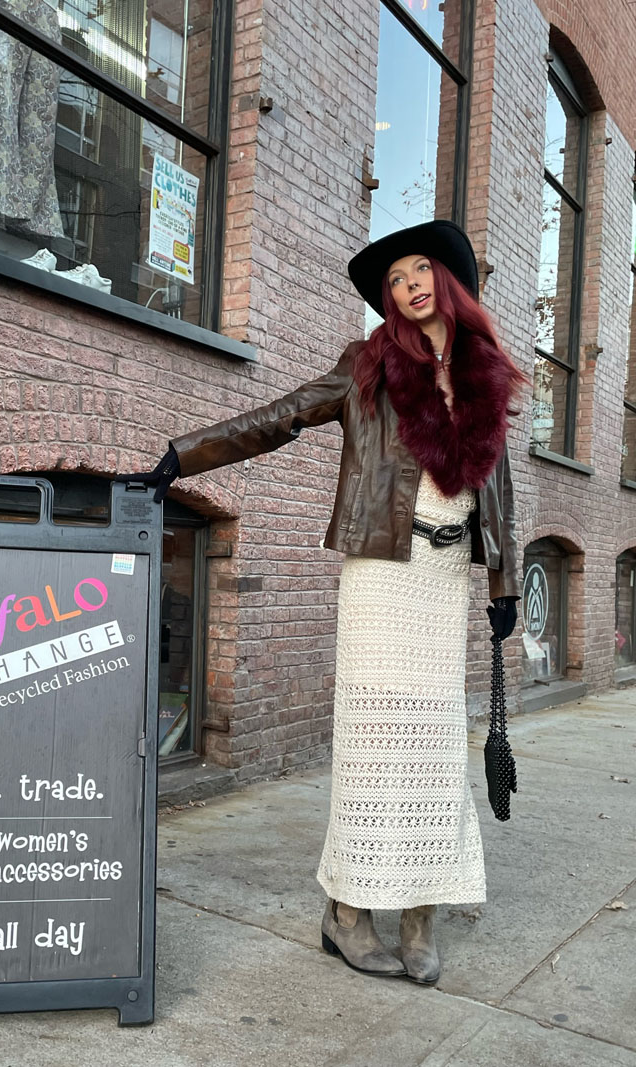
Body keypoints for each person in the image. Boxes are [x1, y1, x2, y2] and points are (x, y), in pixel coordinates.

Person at [119, 220, 527, 985]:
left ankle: (418, 913)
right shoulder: (366, 365)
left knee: (435, 750)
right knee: (377, 747)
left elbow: (497, 487)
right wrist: (182, 456)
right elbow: (281, 416)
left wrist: (503, 582)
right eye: (394, 279)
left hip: (442, 581)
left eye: (418, 271)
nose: (407, 285)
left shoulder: (483, 371)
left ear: (447, 280)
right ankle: (345, 911)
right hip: (381, 575)